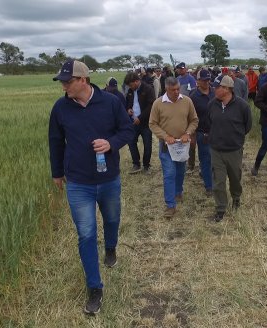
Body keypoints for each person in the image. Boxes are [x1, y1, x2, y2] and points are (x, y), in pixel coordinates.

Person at [48, 60, 134, 314]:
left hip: (108, 179)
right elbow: (55, 141)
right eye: (62, 82)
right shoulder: (61, 107)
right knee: (85, 234)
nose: (64, 86)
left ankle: (110, 248)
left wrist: (111, 143)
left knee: (111, 219)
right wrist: (57, 173)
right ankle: (95, 288)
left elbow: (127, 130)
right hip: (78, 183)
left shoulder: (110, 102)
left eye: (67, 81)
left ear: (82, 80)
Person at [149, 77, 199, 218]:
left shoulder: (187, 101)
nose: (176, 92)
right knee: (169, 173)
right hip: (166, 146)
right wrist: (165, 136)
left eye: (178, 89)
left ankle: (178, 192)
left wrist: (187, 132)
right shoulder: (158, 104)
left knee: (180, 171)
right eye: (173, 90)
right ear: (166, 89)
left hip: (182, 145)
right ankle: (170, 205)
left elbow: (194, 120)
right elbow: (152, 124)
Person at [208, 75, 252, 222]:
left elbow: (247, 126)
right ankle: (221, 208)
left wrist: (235, 139)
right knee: (218, 181)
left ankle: (236, 198)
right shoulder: (212, 104)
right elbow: (209, 123)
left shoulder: (242, 106)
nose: (214, 89)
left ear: (226, 89)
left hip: (234, 150)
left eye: (217, 87)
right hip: (216, 150)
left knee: (235, 178)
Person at [189, 69, 215, 195]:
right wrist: (192, 135)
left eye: (208, 80)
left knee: (215, 158)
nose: (207, 82)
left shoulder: (215, 92)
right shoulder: (193, 96)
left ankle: (207, 175)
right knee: (206, 158)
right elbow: (190, 117)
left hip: (216, 131)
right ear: (198, 81)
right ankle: (209, 186)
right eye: (204, 80)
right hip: (201, 132)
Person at [124, 72, 156, 174]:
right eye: (128, 85)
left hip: (145, 123)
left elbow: (151, 106)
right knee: (131, 141)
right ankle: (136, 164)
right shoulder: (130, 91)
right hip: (133, 122)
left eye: (131, 85)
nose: (130, 87)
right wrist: (128, 109)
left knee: (147, 144)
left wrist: (141, 118)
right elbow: (128, 103)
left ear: (137, 81)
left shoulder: (148, 89)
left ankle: (146, 165)